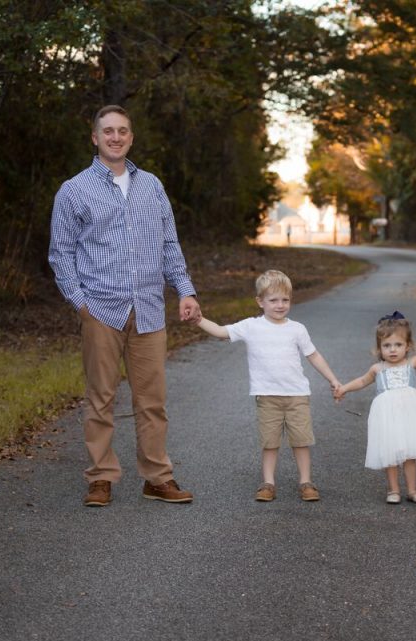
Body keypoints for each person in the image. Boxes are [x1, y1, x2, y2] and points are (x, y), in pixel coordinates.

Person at [49, 104, 201, 507]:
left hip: (149, 308)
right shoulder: (74, 190)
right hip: (101, 309)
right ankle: (101, 477)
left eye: (123, 131)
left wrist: (185, 290)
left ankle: (157, 478)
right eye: (108, 131)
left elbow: (169, 244)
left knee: (152, 401)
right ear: (95, 137)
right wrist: (81, 303)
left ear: (131, 137)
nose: (116, 137)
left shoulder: (152, 186)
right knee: (100, 398)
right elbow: (60, 254)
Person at [197, 270, 340, 502]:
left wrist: (333, 380)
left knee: (301, 441)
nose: (280, 305)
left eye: (285, 300)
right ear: (260, 302)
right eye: (273, 300)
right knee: (270, 442)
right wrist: (199, 319)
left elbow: (314, 356)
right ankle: (268, 483)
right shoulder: (251, 327)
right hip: (267, 397)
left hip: (296, 396)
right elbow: (222, 332)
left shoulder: (297, 329)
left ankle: (306, 481)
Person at [335, 312, 416, 504]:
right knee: (389, 450)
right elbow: (362, 381)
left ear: (408, 346)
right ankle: (393, 490)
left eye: (398, 345)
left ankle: (413, 490)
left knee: (410, 453)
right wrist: (344, 388)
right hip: (386, 415)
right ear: (379, 348)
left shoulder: (412, 363)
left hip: (410, 414)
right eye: (387, 345)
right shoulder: (377, 369)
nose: (392, 350)